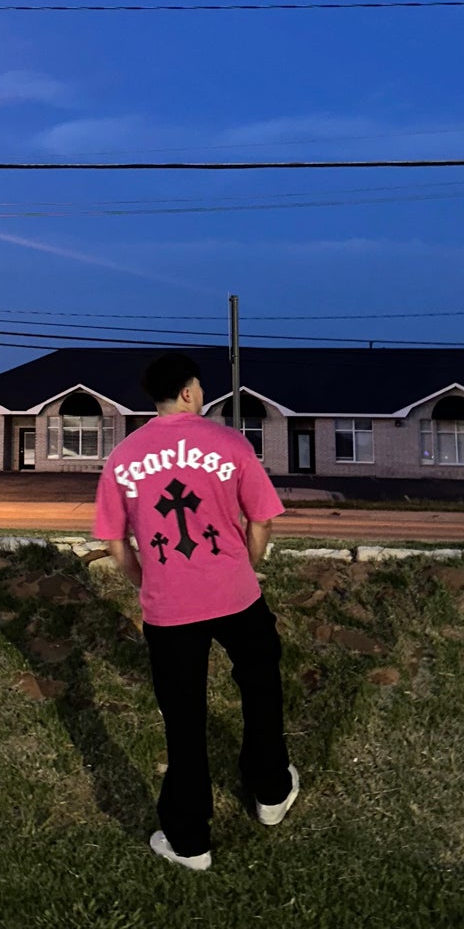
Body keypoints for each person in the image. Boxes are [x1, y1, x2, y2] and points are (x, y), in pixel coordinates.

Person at [94, 352, 299, 871]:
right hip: (237, 597)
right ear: (188, 391)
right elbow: (263, 523)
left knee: (183, 720)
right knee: (260, 685)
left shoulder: (123, 457)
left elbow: (116, 543)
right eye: (200, 387)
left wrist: (148, 580)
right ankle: (271, 792)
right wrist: (244, 567)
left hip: (169, 609)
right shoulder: (231, 444)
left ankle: (189, 842)